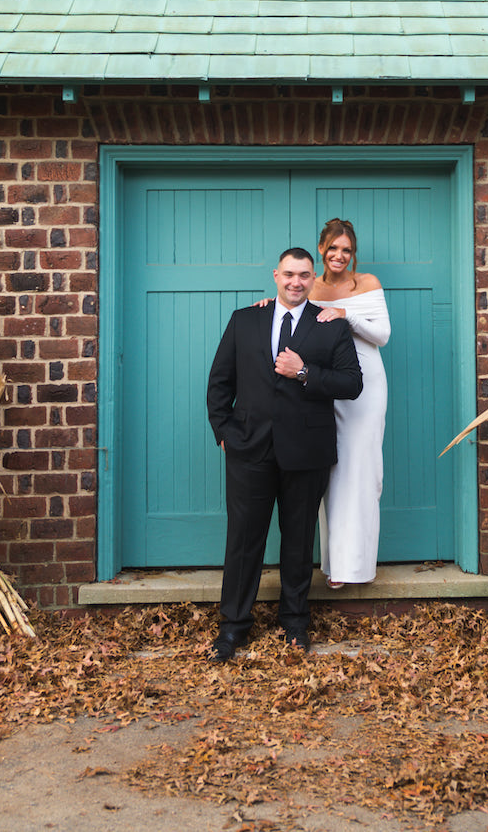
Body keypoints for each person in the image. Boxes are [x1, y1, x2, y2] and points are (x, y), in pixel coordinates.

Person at [206, 247, 362, 661]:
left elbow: (352, 383)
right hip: (248, 450)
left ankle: (295, 623)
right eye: (289, 274)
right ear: (276, 275)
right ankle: (233, 627)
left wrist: (305, 372)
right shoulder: (246, 319)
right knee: (243, 541)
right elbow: (220, 381)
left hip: (306, 451)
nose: (296, 282)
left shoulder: (329, 325)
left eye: (305, 275)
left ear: (314, 279)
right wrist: (224, 431)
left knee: (298, 541)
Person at [310, 218, 391, 589]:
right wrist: (267, 305)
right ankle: (335, 565)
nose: (339, 255)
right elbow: (290, 316)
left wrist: (347, 314)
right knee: (332, 472)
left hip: (366, 387)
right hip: (328, 387)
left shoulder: (367, 284)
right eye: (333, 248)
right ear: (322, 249)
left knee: (362, 471)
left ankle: (357, 567)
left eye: (347, 250)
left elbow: (383, 335)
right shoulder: (311, 286)